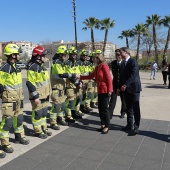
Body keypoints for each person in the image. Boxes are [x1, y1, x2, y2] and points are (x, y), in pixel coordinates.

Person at [0, 44, 29, 158]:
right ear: (12, 55)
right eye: (17, 54)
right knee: (7, 122)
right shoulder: (4, 68)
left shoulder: (17, 67)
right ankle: (5, 143)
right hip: (9, 100)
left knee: (19, 118)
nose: (19, 55)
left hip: (19, 98)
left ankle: (19, 136)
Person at [78, 53, 113, 134]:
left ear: (98, 58)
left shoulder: (104, 66)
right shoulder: (97, 67)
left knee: (105, 109)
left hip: (105, 90)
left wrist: (110, 90)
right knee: (100, 108)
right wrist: (80, 77)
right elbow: (90, 76)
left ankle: (107, 126)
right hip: (100, 90)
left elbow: (109, 78)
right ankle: (103, 124)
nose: (93, 59)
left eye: (94, 58)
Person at [26, 46, 52, 139]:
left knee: (44, 113)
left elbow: (45, 82)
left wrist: (49, 92)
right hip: (38, 96)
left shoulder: (42, 67)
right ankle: (38, 131)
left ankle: (44, 128)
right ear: (38, 56)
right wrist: (35, 96)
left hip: (45, 94)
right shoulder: (33, 67)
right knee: (38, 114)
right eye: (43, 55)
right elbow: (30, 83)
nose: (45, 57)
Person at [117, 47, 141, 135]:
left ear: (126, 52)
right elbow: (121, 77)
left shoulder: (133, 61)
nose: (119, 54)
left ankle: (136, 126)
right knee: (128, 108)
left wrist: (125, 85)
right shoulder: (123, 63)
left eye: (121, 52)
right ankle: (129, 124)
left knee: (135, 107)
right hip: (126, 89)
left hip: (134, 88)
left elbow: (133, 75)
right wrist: (119, 88)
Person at [109, 49, 126, 119]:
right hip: (115, 83)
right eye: (116, 55)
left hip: (122, 83)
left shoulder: (125, 63)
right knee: (112, 99)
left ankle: (123, 112)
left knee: (124, 100)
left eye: (119, 55)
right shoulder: (113, 63)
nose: (118, 56)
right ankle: (110, 114)